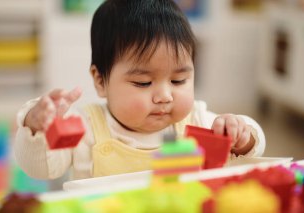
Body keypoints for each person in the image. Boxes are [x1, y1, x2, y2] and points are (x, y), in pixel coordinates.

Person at [14, 0, 265, 180]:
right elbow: (42, 170)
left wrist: (242, 135)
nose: (165, 96)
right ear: (100, 81)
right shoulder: (86, 126)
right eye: (143, 83)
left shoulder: (196, 120)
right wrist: (36, 128)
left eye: (178, 81)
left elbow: (254, 146)